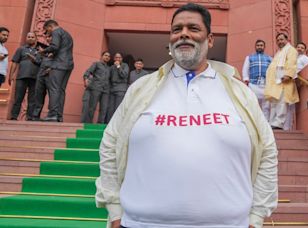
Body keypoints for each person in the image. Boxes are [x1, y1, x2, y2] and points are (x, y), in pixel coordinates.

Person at [96, 3, 278, 228]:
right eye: (176, 29)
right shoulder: (141, 89)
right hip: (140, 223)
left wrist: (257, 216)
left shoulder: (239, 92)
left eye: (193, 28)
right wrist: (114, 210)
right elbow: (110, 143)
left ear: (209, 39)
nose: (184, 34)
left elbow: (267, 150)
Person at [40, 19, 74, 122]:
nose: (47, 33)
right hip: (69, 64)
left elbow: (54, 46)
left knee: (54, 88)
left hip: (59, 64)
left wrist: (43, 51)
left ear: (50, 26)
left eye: (47, 30)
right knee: (61, 90)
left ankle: (52, 114)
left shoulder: (56, 31)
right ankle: (59, 116)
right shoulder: (67, 34)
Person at [264, 33, 298, 129]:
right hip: (276, 81)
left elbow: (292, 63)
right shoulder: (279, 52)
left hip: (284, 80)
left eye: (281, 39)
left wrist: (288, 75)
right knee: (274, 102)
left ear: (287, 40)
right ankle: (272, 122)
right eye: (278, 40)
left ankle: (278, 123)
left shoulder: (291, 50)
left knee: (282, 102)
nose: (280, 42)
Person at [8, 32, 40, 120]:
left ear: (36, 39)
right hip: (21, 77)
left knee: (32, 100)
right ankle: (14, 117)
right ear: (26, 38)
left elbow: (43, 63)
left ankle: (29, 118)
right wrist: (11, 75)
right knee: (18, 98)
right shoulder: (21, 49)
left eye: (32, 37)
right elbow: (15, 62)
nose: (30, 38)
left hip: (35, 78)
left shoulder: (40, 50)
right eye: (28, 36)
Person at [283, 42, 308, 130]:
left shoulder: (305, 58)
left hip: (296, 83)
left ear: (304, 50)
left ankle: (288, 127)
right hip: (289, 83)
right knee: (287, 104)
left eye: (302, 48)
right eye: (298, 47)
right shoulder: (293, 58)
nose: (299, 49)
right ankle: (286, 126)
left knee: (291, 105)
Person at [242, 39, 272, 120]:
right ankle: (255, 123)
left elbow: (272, 71)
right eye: (258, 45)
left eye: (261, 45)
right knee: (253, 104)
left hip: (266, 84)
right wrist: (246, 79)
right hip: (253, 84)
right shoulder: (249, 57)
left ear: (264, 47)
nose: (259, 47)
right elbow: (245, 69)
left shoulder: (269, 58)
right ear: (255, 47)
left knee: (266, 106)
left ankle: (265, 124)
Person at [80, 51, 111, 123]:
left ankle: (100, 124)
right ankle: (88, 123)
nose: (107, 57)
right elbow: (88, 72)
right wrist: (86, 79)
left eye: (109, 56)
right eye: (105, 55)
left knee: (104, 108)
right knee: (92, 107)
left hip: (105, 90)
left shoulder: (109, 68)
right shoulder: (96, 64)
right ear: (102, 56)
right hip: (96, 88)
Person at [31, 33, 53, 120]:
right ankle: (35, 116)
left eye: (50, 37)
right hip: (41, 74)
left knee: (52, 96)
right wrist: (34, 60)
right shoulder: (44, 48)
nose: (48, 39)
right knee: (38, 95)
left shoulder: (57, 48)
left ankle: (51, 116)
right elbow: (40, 62)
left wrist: (52, 68)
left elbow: (60, 62)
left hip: (51, 74)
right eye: (47, 37)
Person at [106, 52, 129, 122]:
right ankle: (108, 124)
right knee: (110, 108)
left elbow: (124, 75)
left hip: (121, 89)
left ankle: (116, 124)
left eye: (119, 57)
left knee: (117, 107)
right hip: (112, 89)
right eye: (116, 57)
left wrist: (119, 66)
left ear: (122, 59)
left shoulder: (125, 65)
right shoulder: (112, 67)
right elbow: (108, 78)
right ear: (114, 58)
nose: (118, 59)